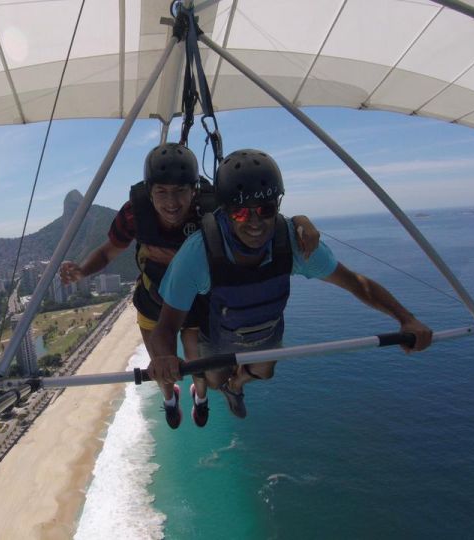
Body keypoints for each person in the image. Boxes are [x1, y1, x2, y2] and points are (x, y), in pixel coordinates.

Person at [148, 148, 433, 419]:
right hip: (219, 337)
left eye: (265, 209)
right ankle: (223, 384)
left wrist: (406, 318)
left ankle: (236, 386)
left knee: (264, 372)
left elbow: (357, 284)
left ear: (278, 205)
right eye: (240, 213)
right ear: (224, 210)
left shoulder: (293, 245)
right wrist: (164, 357)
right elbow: (166, 326)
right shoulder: (199, 254)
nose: (255, 222)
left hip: (266, 333)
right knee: (213, 380)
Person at [60, 143, 321, 428]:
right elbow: (109, 250)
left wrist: (299, 221)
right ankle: (170, 398)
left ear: (194, 190)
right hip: (153, 300)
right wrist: (83, 270)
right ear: (150, 192)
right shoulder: (135, 213)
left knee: (200, 368)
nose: (172, 202)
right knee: (162, 365)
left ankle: (200, 397)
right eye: (162, 192)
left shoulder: (210, 210)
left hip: (196, 304)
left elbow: (256, 217)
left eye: (181, 191)